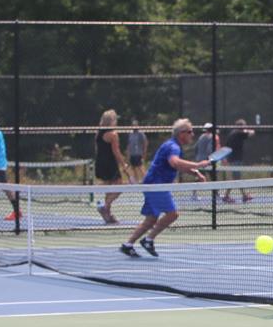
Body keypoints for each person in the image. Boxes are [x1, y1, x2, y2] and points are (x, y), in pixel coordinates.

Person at [119, 118, 207, 258]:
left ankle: (128, 245)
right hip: (156, 185)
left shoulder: (172, 145)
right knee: (172, 214)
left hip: (153, 183)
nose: (192, 135)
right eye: (190, 132)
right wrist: (197, 166)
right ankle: (148, 240)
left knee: (151, 219)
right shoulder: (173, 147)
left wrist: (195, 173)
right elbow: (174, 162)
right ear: (181, 134)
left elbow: (176, 165)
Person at [94, 109, 127, 223]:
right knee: (120, 186)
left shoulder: (98, 133)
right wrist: (124, 165)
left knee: (109, 188)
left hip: (100, 162)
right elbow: (116, 151)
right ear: (111, 120)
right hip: (109, 163)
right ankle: (105, 206)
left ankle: (107, 214)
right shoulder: (113, 134)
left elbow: (98, 149)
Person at [221, 118, 255, 203]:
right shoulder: (239, 134)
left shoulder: (232, 134)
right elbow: (252, 133)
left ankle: (243, 195)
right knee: (236, 178)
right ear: (241, 127)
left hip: (232, 159)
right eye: (244, 126)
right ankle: (228, 196)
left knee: (236, 178)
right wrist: (246, 130)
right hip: (235, 159)